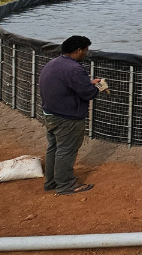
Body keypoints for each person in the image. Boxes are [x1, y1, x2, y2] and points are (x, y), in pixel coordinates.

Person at [38, 35, 103, 195]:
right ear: (78, 50)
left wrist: (89, 83)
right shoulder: (75, 69)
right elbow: (87, 94)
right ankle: (66, 185)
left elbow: (69, 84)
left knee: (54, 147)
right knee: (66, 150)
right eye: (85, 51)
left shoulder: (54, 63)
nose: (86, 54)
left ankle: (51, 182)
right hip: (67, 118)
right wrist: (99, 87)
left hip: (50, 114)